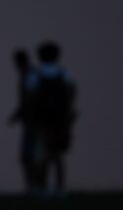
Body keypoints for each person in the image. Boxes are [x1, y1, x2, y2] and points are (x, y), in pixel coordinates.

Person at [27, 41, 77, 196]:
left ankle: (41, 187)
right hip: (60, 121)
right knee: (57, 156)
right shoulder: (64, 74)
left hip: (41, 121)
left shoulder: (35, 75)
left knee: (41, 155)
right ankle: (59, 188)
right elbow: (71, 95)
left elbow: (30, 97)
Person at [8, 49, 37, 194]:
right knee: (30, 157)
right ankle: (33, 187)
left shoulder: (29, 75)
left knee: (29, 157)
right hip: (31, 121)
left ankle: (33, 187)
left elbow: (30, 98)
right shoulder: (29, 75)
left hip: (34, 122)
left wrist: (18, 114)